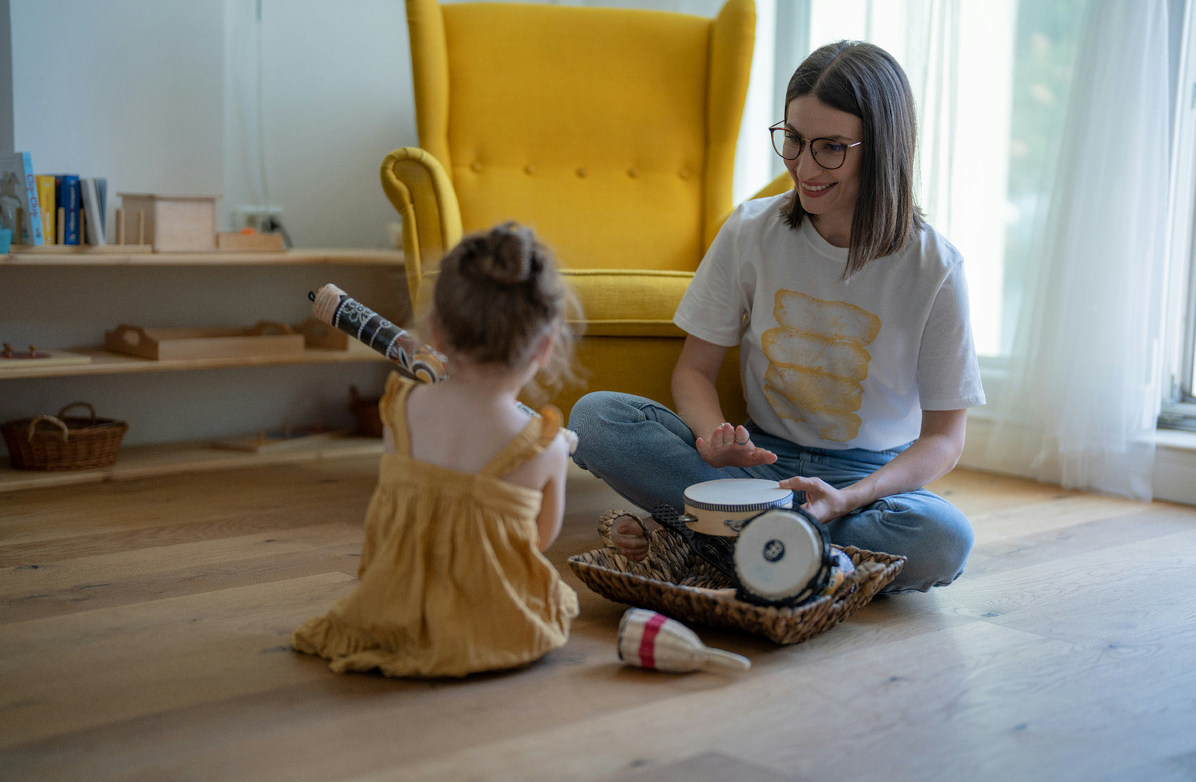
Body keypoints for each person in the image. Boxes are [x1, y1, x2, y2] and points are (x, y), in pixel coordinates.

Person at [568, 40, 985, 593]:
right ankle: (795, 554)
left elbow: (944, 440)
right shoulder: (750, 231)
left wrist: (851, 499)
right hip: (757, 468)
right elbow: (693, 371)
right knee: (597, 418)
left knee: (942, 539)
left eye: (831, 147)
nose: (803, 167)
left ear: (882, 147)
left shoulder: (935, 266)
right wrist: (712, 437)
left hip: (869, 482)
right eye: (793, 139)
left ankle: (722, 540)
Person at [292, 222, 581, 676]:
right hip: (489, 619)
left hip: (395, 602)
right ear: (544, 348)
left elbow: (395, 511)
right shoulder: (544, 447)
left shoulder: (399, 409)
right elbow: (538, 541)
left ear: (436, 335)